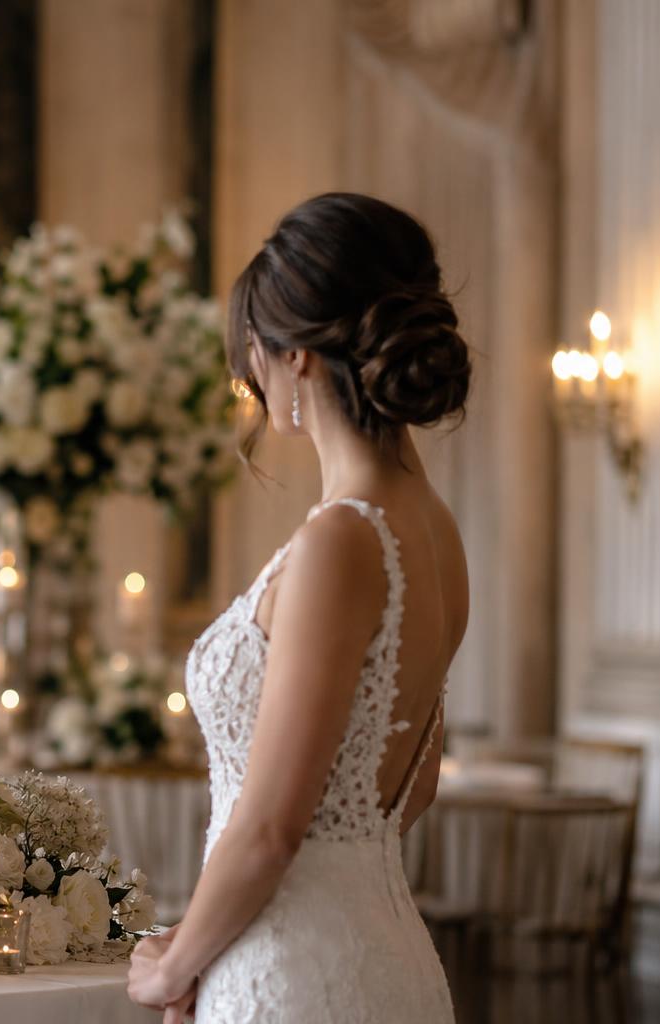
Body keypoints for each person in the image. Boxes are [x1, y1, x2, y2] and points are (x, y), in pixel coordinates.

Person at [127, 192, 471, 1022]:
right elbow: (411, 786)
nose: (250, 371)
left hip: (292, 978)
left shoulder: (339, 541)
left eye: (253, 348)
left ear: (298, 358)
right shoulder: (435, 531)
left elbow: (273, 826)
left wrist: (170, 968)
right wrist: (208, 935)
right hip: (382, 958)